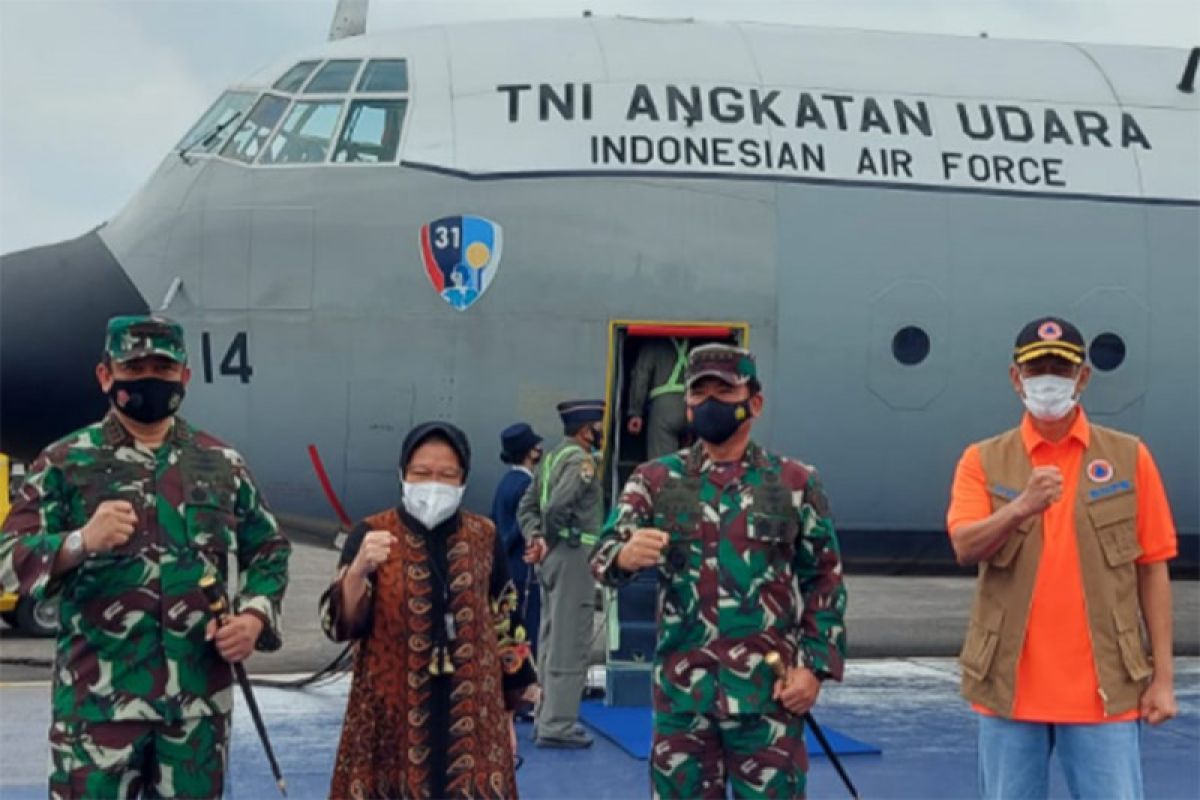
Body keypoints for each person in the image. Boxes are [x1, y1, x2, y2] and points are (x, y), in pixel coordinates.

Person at [0, 314, 291, 799]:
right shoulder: (65, 463)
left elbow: (270, 551)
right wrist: (80, 541)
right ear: (105, 376)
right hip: (97, 714)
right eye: (134, 368)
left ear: (185, 377)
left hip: (195, 715)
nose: (149, 378)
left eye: (162, 367)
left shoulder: (221, 464)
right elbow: (8, 558)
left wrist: (255, 619)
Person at [592, 343, 846, 799]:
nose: (710, 402)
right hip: (683, 701)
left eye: (724, 391)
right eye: (700, 391)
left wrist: (814, 670)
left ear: (755, 402)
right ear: (687, 404)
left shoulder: (794, 482)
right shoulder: (654, 481)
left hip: (768, 699)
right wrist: (624, 556)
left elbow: (825, 579)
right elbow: (604, 555)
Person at [946, 316, 1178, 800]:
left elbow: (1153, 569)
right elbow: (966, 546)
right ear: (1016, 378)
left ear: (1083, 378)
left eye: (1060, 368)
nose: (1047, 380)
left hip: (1106, 690)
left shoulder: (1130, 458)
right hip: (1008, 691)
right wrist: (1021, 507)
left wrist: (1163, 680)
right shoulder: (982, 460)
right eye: (1035, 369)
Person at [321, 421, 537, 799]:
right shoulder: (370, 534)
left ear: (463, 479)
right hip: (387, 729)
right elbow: (341, 624)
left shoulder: (484, 537)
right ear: (402, 474)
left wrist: (508, 716)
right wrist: (357, 571)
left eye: (446, 474)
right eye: (421, 473)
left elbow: (506, 624)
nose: (433, 483)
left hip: (475, 726)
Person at [517, 399, 606, 748]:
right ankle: (558, 725)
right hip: (572, 557)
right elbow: (556, 507)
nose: (601, 431)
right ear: (587, 430)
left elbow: (527, 507)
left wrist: (535, 538)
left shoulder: (552, 458)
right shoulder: (581, 462)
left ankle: (546, 717)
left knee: (552, 639)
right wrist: (551, 540)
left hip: (553, 559)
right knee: (571, 641)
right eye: (598, 425)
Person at [491, 422, 544, 661]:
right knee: (526, 625)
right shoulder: (526, 485)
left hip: (509, 566)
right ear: (529, 452)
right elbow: (521, 525)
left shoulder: (505, 482)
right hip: (523, 567)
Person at [627, 338, 690, 459]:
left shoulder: (653, 344)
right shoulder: (695, 344)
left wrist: (636, 412)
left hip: (664, 409)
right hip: (692, 407)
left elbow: (641, 378)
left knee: (662, 463)